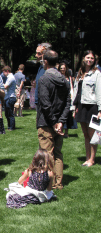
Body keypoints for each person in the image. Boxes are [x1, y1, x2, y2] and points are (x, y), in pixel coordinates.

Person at [37, 50, 70, 190]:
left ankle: (48, 186)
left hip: (46, 123)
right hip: (58, 124)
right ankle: (58, 183)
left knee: (47, 155)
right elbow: (68, 102)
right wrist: (61, 122)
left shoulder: (44, 79)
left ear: (45, 61)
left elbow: (45, 104)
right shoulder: (64, 80)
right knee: (57, 154)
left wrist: (54, 122)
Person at [72, 50, 101, 167]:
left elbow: (99, 92)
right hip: (81, 106)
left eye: (92, 58)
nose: (89, 60)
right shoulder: (80, 73)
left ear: (94, 60)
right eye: (87, 57)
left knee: (92, 135)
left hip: (92, 106)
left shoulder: (97, 74)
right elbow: (76, 92)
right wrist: (73, 108)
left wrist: (100, 109)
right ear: (83, 58)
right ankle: (87, 157)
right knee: (85, 135)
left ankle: (92, 159)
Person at [58, 62, 77, 138]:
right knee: (60, 114)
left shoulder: (69, 77)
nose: (62, 70)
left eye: (64, 68)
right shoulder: (58, 76)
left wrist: (72, 96)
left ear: (66, 69)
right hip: (60, 98)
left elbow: (71, 87)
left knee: (68, 114)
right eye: (61, 68)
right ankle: (60, 130)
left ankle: (66, 132)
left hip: (68, 98)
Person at [3, 66, 16, 131]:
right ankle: (9, 126)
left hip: (10, 97)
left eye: (4, 72)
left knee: (10, 113)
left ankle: (12, 127)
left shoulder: (10, 77)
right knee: (7, 113)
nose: (3, 74)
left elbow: (5, 86)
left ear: (7, 71)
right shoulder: (9, 77)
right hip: (8, 97)